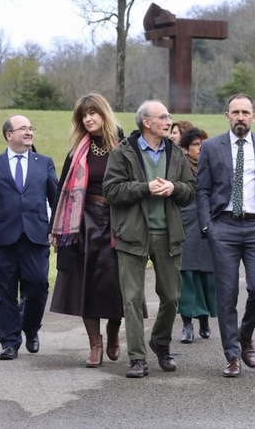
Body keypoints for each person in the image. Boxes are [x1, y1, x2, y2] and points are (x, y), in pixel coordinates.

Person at [103, 100, 196, 378]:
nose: (169, 121)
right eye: (163, 117)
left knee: (171, 296)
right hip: (132, 234)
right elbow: (111, 190)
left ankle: (161, 343)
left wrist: (174, 187)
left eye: (168, 117)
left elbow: (191, 189)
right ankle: (137, 358)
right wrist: (145, 188)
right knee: (131, 298)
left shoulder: (176, 153)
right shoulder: (123, 152)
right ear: (146, 122)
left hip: (168, 234)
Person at [196, 93, 255, 378]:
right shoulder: (211, 146)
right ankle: (232, 354)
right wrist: (208, 224)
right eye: (235, 112)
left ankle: (245, 335)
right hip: (224, 226)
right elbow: (203, 189)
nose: (240, 117)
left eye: (245, 112)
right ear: (227, 115)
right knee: (226, 293)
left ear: (254, 116)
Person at [49, 92, 125, 368]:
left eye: (93, 113)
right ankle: (95, 344)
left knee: (116, 284)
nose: (88, 118)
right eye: (84, 114)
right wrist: (53, 229)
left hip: (118, 221)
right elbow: (61, 190)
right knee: (86, 285)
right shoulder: (77, 151)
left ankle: (114, 331)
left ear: (104, 114)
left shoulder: (124, 145)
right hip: (82, 223)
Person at [0, 115, 58, 361]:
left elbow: (56, 199)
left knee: (38, 285)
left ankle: (30, 328)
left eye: (31, 128)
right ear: (9, 135)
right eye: (23, 129)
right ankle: (10, 343)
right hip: (3, 237)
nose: (29, 132)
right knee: (5, 292)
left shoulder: (44, 163)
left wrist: (55, 228)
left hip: (36, 235)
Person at [176, 127, 217, 344]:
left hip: (207, 224)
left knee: (206, 277)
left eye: (203, 144)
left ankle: (204, 320)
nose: (201, 149)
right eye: (196, 145)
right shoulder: (179, 165)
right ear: (186, 148)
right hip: (185, 224)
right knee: (187, 277)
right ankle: (186, 325)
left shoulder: (211, 165)